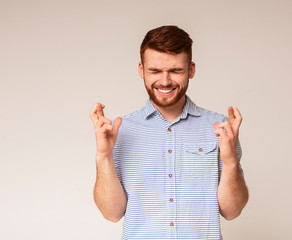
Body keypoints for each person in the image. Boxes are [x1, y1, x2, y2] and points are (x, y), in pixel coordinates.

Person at [89, 25, 248, 240]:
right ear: (141, 69)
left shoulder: (220, 128)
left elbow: (232, 211)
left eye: (175, 70)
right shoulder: (120, 130)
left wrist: (230, 162)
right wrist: (103, 156)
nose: (165, 81)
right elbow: (112, 213)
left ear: (191, 70)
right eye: (155, 71)